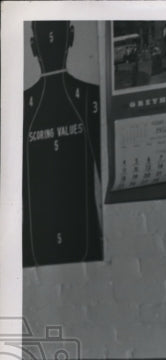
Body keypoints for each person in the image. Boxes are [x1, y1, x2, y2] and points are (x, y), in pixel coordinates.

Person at [23, 21, 102, 267]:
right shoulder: (89, 95)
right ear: (71, 36)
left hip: (39, 247)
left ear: (32, 46)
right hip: (81, 243)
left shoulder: (20, 106)